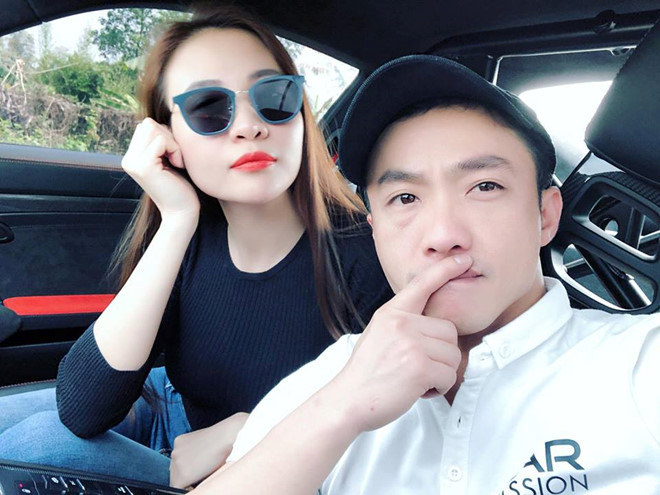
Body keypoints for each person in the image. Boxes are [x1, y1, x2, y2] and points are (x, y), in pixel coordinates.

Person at [187, 54, 660, 494]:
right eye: (405, 198)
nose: (443, 235)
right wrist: (340, 408)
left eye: (485, 186)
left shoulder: (639, 362)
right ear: (375, 231)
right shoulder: (336, 376)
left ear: (545, 215)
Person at [0, 5, 392, 488]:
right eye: (209, 107)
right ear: (168, 137)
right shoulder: (188, 235)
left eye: (273, 95)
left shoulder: (367, 252)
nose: (249, 125)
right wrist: (177, 220)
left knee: (33, 446)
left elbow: (394, 433)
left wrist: (253, 431)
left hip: (259, 468)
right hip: (170, 408)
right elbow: (84, 408)